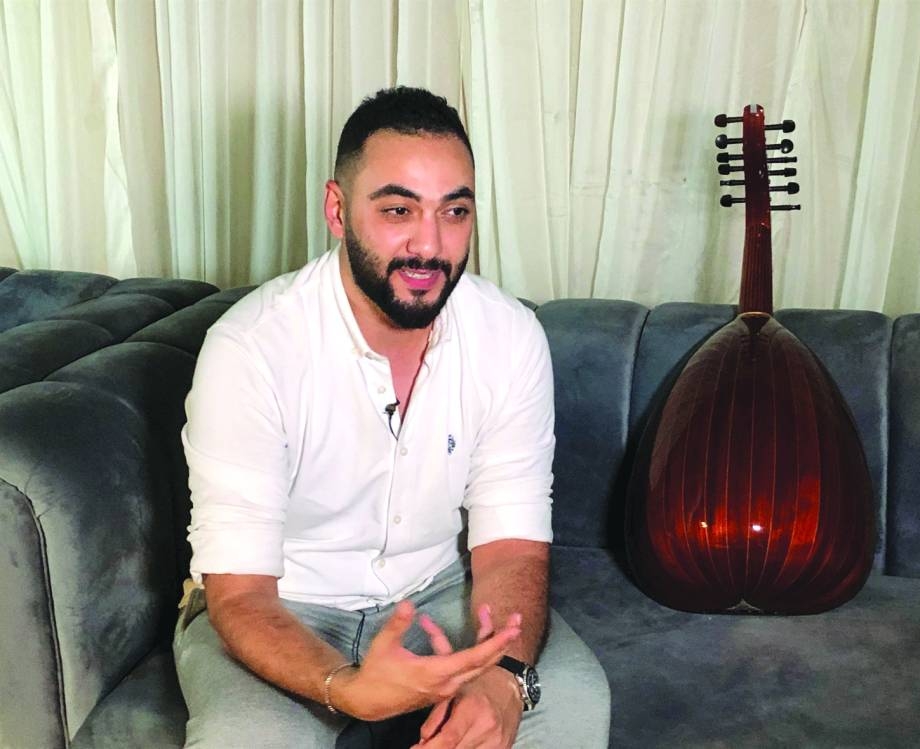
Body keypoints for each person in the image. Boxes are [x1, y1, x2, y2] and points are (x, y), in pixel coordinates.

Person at [174, 86, 610, 748]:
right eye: (398, 209)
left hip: (433, 593)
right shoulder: (250, 348)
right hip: (282, 604)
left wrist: (502, 678)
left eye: (454, 211)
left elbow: (512, 544)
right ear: (337, 209)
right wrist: (345, 686)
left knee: (573, 703)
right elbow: (240, 595)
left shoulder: (510, 336)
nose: (429, 246)